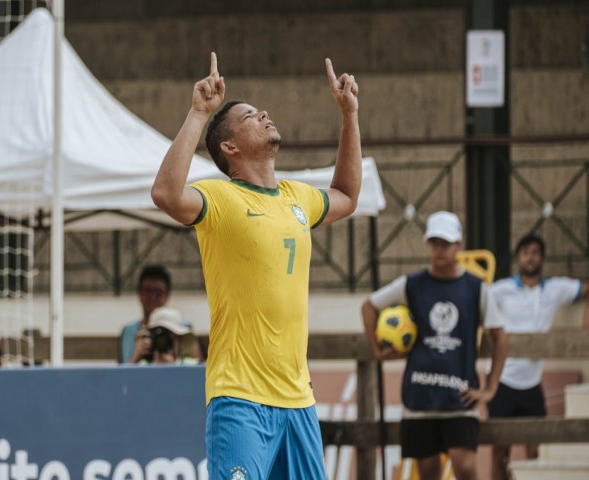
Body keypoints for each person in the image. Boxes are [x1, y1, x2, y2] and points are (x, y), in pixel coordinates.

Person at [151, 52, 361, 479]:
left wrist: (349, 116)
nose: (263, 114)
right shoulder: (223, 198)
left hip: (298, 401)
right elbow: (166, 194)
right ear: (230, 147)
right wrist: (198, 113)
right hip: (240, 399)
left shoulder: (296, 196)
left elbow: (346, 194)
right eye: (249, 116)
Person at [361, 211, 508, 480]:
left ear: (458, 245)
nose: (439, 249)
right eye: (434, 243)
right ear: (428, 244)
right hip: (420, 397)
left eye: (446, 243)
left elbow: (500, 336)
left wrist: (490, 388)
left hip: (460, 396)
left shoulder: (476, 287)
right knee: (428, 473)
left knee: (465, 468)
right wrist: (377, 351)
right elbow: (369, 306)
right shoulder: (412, 284)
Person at [488, 233, 589, 480]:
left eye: (535, 252)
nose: (530, 258)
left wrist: (585, 330)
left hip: (532, 385)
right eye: (525, 252)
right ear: (518, 257)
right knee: (499, 452)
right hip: (503, 382)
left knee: (535, 450)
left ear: (542, 258)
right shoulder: (502, 289)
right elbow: (475, 303)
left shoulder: (555, 289)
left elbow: (586, 290)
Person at [118, 264, 172, 364]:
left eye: (158, 292)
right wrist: (135, 357)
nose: (152, 297)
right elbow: (119, 375)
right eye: (148, 291)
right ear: (139, 294)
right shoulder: (128, 332)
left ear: (167, 295)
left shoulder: (183, 331)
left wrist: (174, 365)